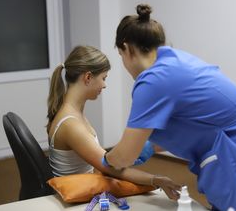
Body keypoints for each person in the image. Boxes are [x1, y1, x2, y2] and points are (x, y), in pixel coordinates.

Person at [102, 4, 236, 211]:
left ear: (126, 49)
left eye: (121, 56)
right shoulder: (177, 62)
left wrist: (106, 158)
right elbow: (196, 123)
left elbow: (125, 156)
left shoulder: (152, 81)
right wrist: (152, 145)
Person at [46, 45, 181, 200]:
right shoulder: (71, 124)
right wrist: (156, 180)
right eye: (103, 78)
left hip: (84, 183)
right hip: (78, 195)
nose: (104, 85)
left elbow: (103, 160)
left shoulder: (72, 113)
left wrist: (142, 148)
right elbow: (110, 168)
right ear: (88, 77)